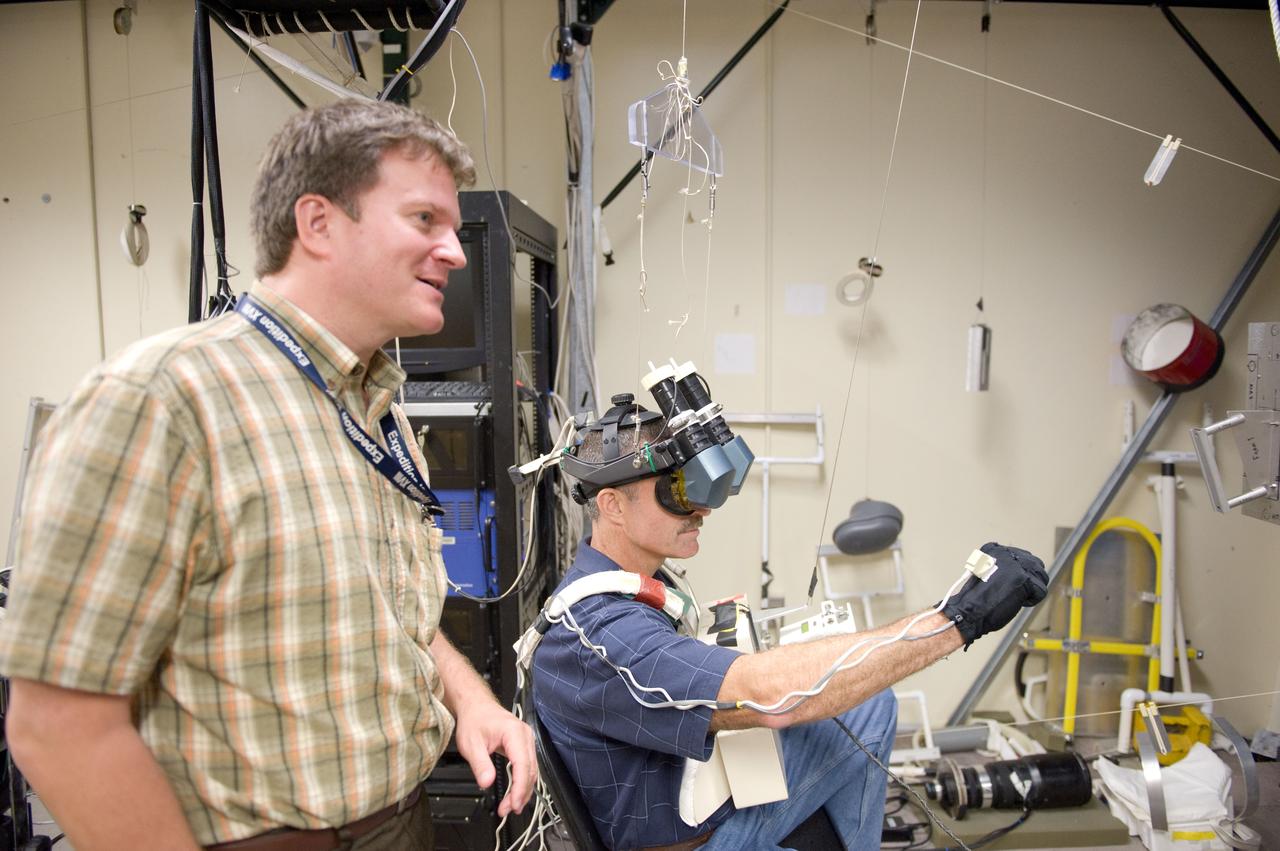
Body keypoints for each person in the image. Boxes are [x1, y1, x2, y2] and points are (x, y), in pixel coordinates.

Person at [0, 99, 535, 850]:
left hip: (402, 819)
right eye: (423, 220)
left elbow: (392, 617)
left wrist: (471, 700)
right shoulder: (164, 399)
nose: (454, 250)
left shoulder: (376, 406)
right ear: (317, 223)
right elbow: (57, 723)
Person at [531, 395, 1048, 851]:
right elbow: (768, 696)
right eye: (675, 493)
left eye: (695, 487)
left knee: (868, 704)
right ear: (611, 506)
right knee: (831, 701)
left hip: (687, 793)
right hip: (697, 840)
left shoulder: (625, 585)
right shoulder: (599, 632)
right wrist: (954, 620)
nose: (700, 512)